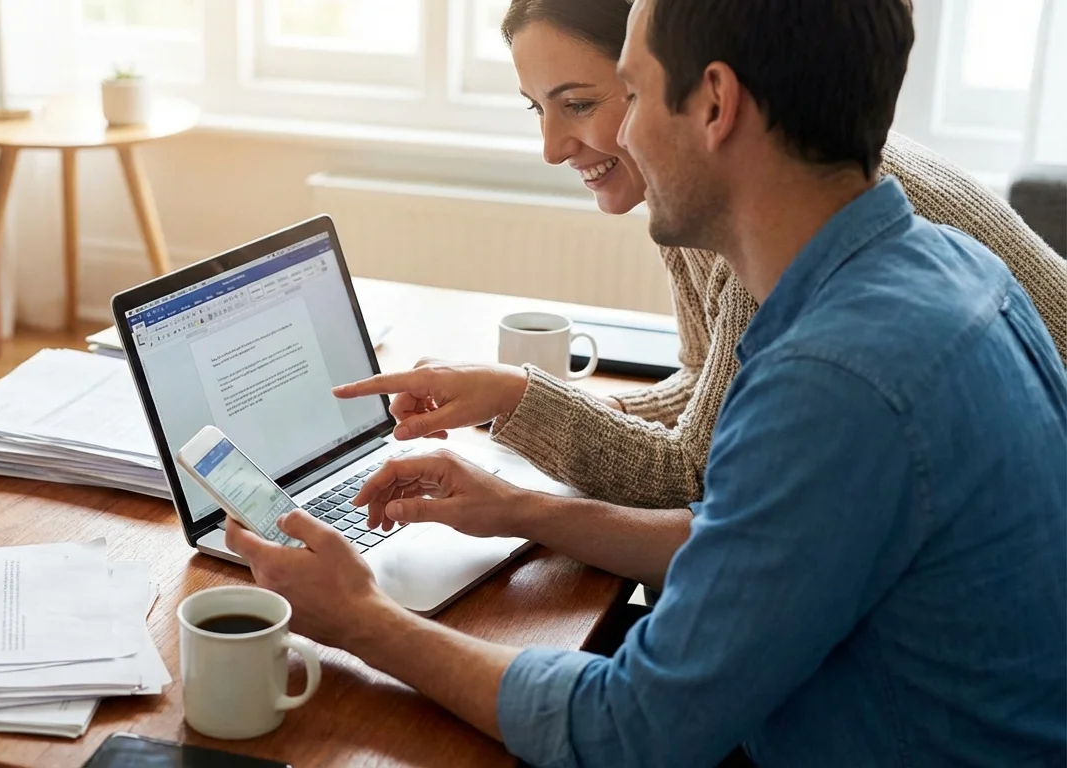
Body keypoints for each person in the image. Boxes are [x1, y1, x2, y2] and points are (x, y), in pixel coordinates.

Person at [224, 0, 1067, 765]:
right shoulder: (954, 268)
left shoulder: (832, 379)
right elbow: (759, 539)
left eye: (625, 89)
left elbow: (627, 731)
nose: (610, 140)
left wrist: (364, 621)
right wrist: (517, 509)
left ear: (713, 103)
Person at [326, 0, 1067, 593]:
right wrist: (515, 400)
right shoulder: (729, 193)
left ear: (688, 87)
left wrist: (523, 409)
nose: (552, 146)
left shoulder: (780, 218)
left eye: (580, 103)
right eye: (536, 109)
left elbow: (695, 479)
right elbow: (707, 391)